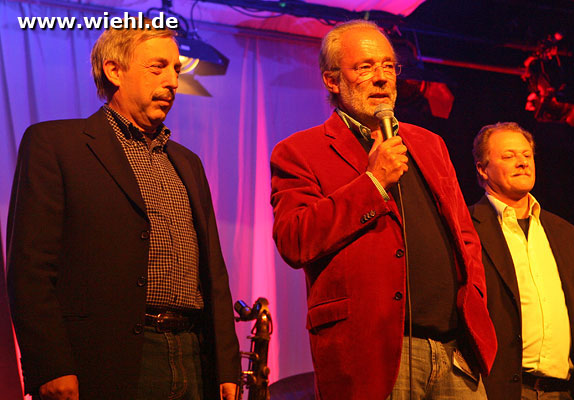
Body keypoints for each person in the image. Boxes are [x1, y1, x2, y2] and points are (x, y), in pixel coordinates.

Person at [6, 22, 240, 400]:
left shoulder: (187, 162)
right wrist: (50, 364)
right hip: (107, 358)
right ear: (115, 71)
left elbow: (213, 273)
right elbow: (30, 268)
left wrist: (226, 365)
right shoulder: (56, 145)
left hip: (193, 355)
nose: (173, 82)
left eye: (176, 70)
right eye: (158, 67)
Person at [270, 20, 497, 400]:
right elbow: (295, 239)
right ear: (331, 80)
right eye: (365, 67)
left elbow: (465, 235)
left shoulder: (429, 143)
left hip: (454, 351)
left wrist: (472, 298)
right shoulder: (299, 151)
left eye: (388, 66)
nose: (380, 77)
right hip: (371, 352)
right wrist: (373, 182)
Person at [469, 122, 574, 400]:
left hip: (562, 390)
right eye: (508, 156)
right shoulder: (467, 225)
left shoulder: (564, 232)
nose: (522, 162)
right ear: (482, 169)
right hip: (499, 389)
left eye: (526, 155)